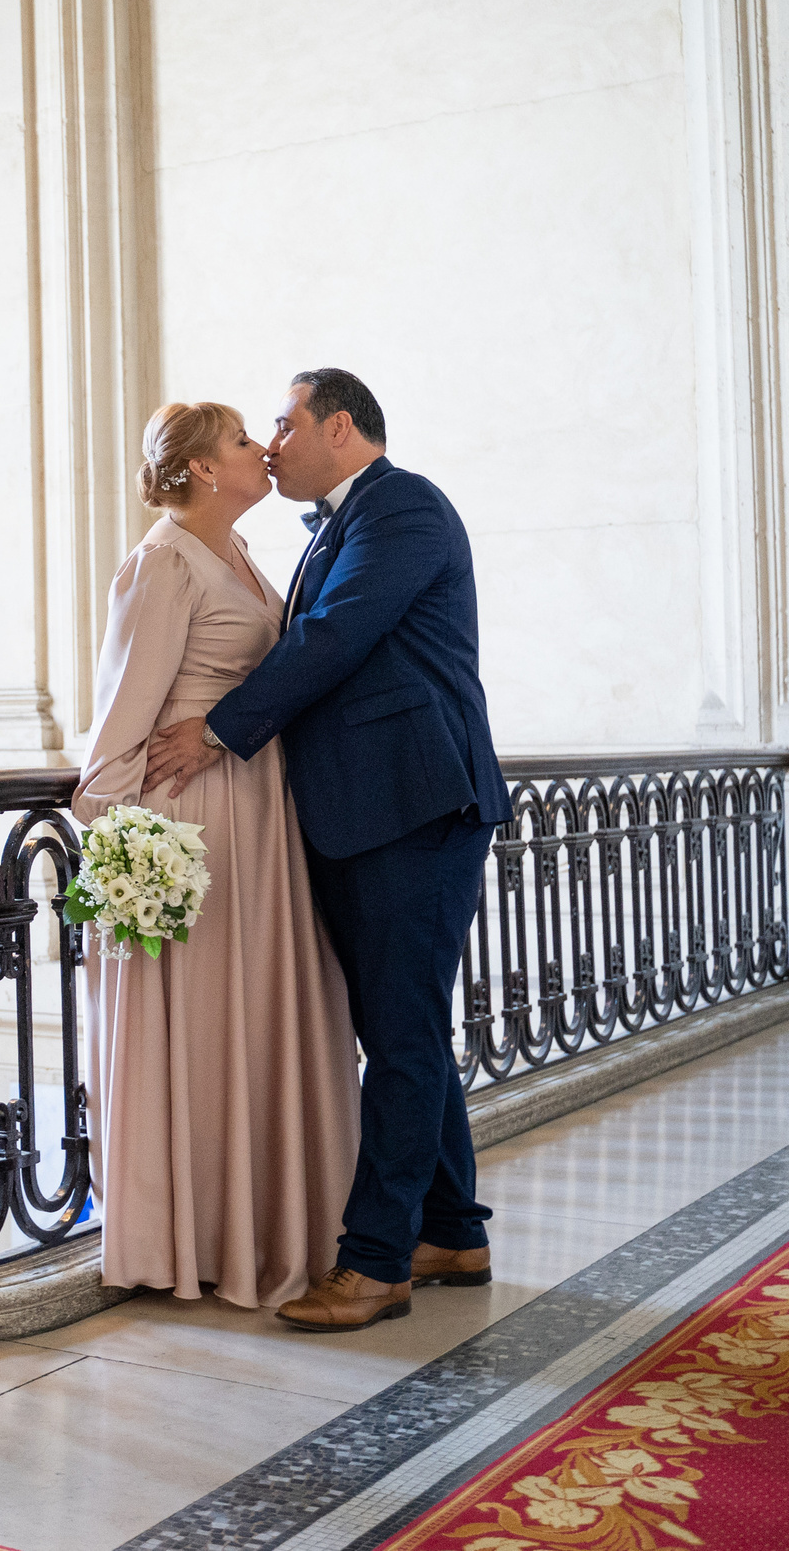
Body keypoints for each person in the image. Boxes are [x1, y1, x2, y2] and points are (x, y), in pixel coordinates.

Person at [143, 368, 509, 1333]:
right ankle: (451, 1229)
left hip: (414, 806)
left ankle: (376, 1262)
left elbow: (337, 637)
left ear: (339, 427)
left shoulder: (403, 507)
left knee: (401, 1034)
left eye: (286, 422)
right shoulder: (332, 527)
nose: (272, 441)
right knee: (405, 1027)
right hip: (366, 810)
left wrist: (218, 728)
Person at [73, 401, 360, 1310]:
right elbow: (124, 711)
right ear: (200, 468)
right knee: (200, 1021)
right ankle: (189, 1234)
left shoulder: (238, 554)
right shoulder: (161, 561)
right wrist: (117, 840)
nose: (263, 451)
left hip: (258, 811)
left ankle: (262, 1223)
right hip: (192, 816)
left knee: (257, 1009)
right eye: (243, 439)